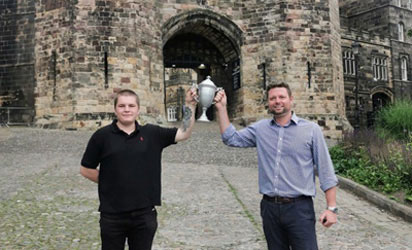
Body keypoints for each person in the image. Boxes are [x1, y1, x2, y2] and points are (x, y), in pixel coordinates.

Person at [214, 82, 338, 250]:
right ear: (268, 102)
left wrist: (331, 208)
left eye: (281, 97)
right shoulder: (260, 129)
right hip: (270, 208)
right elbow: (231, 138)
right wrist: (222, 108)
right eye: (273, 98)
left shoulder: (311, 130)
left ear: (291, 99)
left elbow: (325, 170)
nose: (277, 101)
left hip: (299, 209)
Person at [80, 88, 197, 250]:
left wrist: (190, 106)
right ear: (115, 109)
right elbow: (86, 169)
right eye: (122, 106)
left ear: (138, 109)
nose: (126, 109)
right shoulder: (101, 136)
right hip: (112, 215)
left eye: (131, 106)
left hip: (144, 214)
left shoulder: (152, 133)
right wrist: (111, 181)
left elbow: (184, 133)